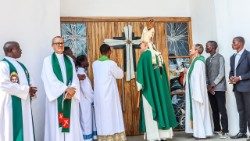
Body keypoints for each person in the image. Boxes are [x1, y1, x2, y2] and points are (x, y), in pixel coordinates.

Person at [136, 21, 177, 141]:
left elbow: (140, 75)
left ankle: (153, 136)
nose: (140, 47)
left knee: (151, 110)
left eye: (141, 44)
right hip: (160, 89)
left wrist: (139, 85)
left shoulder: (144, 56)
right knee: (161, 106)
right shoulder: (158, 55)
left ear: (145, 44)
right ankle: (163, 135)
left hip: (149, 89)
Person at [41, 36, 83, 141]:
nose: (60, 45)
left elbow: (74, 77)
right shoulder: (48, 60)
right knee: (57, 124)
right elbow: (49, 79)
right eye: (57, 43)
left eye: (62, 43)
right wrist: (65, 89)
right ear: (52, 46)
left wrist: (72, 89)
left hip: (70, 97)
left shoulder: (69, 60)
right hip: (56, 99)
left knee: (71, 123)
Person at [0, 41, 37, 141]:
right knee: (12, 129)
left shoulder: (21, 65)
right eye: (18, 48)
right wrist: (26, 90)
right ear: (10, 50)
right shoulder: (3, 64)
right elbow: (4, 84)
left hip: (24, 103)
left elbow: (29, 80)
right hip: (11, 104)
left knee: (26, 129)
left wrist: (32, 89)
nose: (21, 50)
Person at [92, 44, 126, 141]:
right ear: (109, 52)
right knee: (112, 115)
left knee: (102, 116)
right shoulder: (111, 63)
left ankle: (103, 137)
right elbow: (120, 75)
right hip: (109, 95)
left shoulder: (95, 64)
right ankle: (113, 137)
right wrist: (121, 69)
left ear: (100, 52)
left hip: (99, 95)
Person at [185, 44, 213, 139]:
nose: (190, 50)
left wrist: (196, 93)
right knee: (198, 111)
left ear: (196, 51)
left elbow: (196, 78)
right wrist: (187, 71)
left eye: (192, 48)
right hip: (195, 90)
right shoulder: (195, 61)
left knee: (199, 111)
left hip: (197, 92)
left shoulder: (198, 62)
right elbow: (192, 75)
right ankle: (199, 132)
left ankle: (200, 133)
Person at [205, 41, 228, 138]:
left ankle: (225, 131)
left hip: (219, 88)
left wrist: (213, 84)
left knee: (222, 109)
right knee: (214, 109)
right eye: (206, 46)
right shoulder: (207, 59)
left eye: (208, 46)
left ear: (214, 47)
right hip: (210, 88)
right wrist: (208, 85)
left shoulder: (220, 58)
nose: (206, 47)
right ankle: (217, 129)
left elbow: (222, 73)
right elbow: (206, 74)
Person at [229, 36, 250, 139]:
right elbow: (232, 71)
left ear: (240, 43)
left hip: (247, 88)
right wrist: (231, 77)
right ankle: (242, 132)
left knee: (249, 111)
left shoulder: (248, 55)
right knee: (241, 110)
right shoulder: (232, 57)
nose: (232, 44)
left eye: (234, 42)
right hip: (236, 88)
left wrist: (240, 78)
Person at [76, 55, 97, 141]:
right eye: (86, 60)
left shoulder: (80, 72)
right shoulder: (81, 73)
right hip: (85, 101)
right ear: (82, 62)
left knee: (86, 121)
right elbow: (86, 90)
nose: (88, 62)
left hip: (84, 101)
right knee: (86, 122)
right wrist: (93, 100)